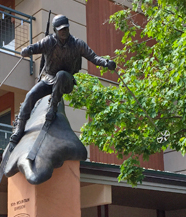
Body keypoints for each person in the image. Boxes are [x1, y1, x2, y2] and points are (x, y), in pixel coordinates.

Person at [10, 14, 116, 144]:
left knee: (61, 75)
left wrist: (106, 63)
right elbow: (35, 47)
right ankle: (20, 128)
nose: (64, 31)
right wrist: (27, 50)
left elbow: (93, 57)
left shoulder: (77, 44)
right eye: (61, 29)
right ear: (55, 30)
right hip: (49, 79)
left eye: (66, 28)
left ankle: (53, 107)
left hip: (66, 80)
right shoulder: (48, 41)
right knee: (30, 95)